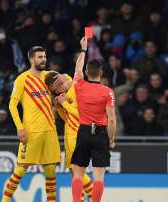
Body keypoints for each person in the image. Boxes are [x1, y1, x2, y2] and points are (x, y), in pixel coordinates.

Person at [1, 46, 61, 202]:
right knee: (20, 170)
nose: (43, 60)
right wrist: (20, 128)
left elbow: (67, 82)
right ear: (31, 59)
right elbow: (12, 105)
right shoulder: (22, 79)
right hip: (31, 132)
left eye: (44, 56)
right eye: (40, 57)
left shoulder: (49, 76)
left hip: (50, 131)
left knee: (50, 171)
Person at [71, 37, 116, 202]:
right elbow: (111, 119)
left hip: (83, 132)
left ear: (87, 72)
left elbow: (77, 70)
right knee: (98, 177)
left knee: (78, 174)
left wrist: (83, 50)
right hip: (101, 133)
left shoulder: (79, 85)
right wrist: (111, 139)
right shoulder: (107, 92)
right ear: (101, 73)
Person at [44, 71, 93, 201]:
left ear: (59, 81)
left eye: (57, 89)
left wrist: (65, 103)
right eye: (55, 91)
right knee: (75, 173)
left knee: (77, 173)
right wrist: (59, 107)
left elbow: (84, 115)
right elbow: (67, 118)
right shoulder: (66, 92)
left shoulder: (77, 89)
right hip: (72, 134)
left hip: (79, 135)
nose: (58, 92)